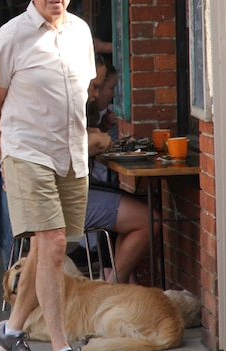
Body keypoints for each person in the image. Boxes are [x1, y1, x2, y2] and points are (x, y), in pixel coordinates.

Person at [0, 0, 95, 351]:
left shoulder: (80, 31)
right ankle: (60, 345)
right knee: (55, 242)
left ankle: (10, 333)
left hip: (71, 154)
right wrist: (4, 161)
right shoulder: (11, 35)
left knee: (46, 249)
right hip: (27, 152)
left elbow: (84, 93)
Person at [84, 58, 157, 284]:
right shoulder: (66, 107)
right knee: (149, 219)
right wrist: (95, 138)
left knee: (137, 209)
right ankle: (113, 288)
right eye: (95, 86)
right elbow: (65, 149)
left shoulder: (79, 108)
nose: (96, 94)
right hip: (67, 198)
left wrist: (97, 133)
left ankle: (117, 283)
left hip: (74, 191)